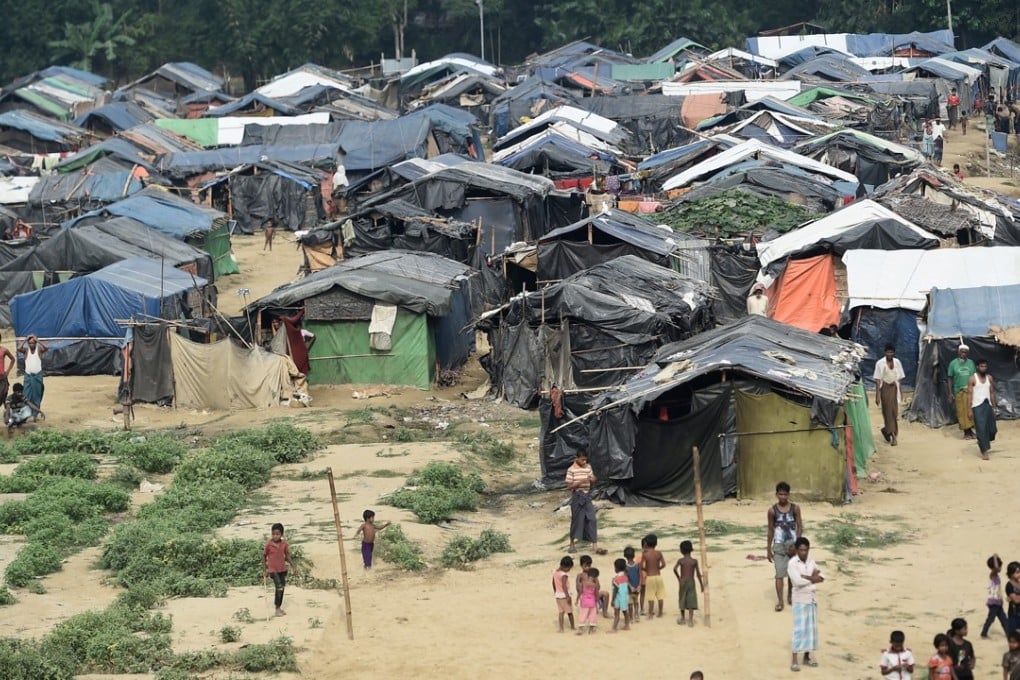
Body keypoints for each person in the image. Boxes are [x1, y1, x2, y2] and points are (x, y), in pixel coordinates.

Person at [788, 536, 823, 671]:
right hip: (800, 600)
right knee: (799, 630)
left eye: (806, 550)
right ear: (797, 550)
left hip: (812, 599)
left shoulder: (811, 561)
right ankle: (794, 660)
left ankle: (807, 657)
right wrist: (813, 578)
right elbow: (797, 582)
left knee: (811, 630)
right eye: (802, 550)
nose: (804, 553)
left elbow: (822, 576)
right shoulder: (792, 563)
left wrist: (808, 577)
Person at [767, 481, 803, 612]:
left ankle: (790, 596)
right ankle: (780, 601)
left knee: (792, 573)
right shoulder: (772, 511)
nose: (782, 497)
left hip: (792, 544)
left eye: (785, 494)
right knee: (779, 574)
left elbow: (799, 526)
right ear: (776, 494)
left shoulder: (795, 508)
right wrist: (768, 549)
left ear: (788, 494)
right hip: (778, 544)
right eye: (780, 494)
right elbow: (770, 530)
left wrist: (797, 545)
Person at [565, 452, 604, 555]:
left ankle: (594, 545)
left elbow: (594, 478)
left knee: (592, 519)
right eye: (582, 459)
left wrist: (592, 479)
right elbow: (569, 486)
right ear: (576, 458)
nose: (584, 461)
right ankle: (572, 544)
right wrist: (580, 481)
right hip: (577, 496)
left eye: (586, 459)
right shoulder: (571, 470)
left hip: (587, 496)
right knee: (576, 520)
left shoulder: (588, 467)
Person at [874, 344, 906, 446]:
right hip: (885, 389)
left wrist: (901, 392)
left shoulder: (897, 362)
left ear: (894, 353)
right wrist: (877, 395)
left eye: (891, 352)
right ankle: (893, 437)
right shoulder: (880, 363)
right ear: (885, 353)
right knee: (888, 413)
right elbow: (878, 380)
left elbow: (900, 379)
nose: (889, 354)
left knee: (894, 413)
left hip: (894, 388)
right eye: (888, 352)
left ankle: (886, 430)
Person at [263, 522, 297, 617]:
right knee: (279, 587)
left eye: (277, 534)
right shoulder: (269, 544)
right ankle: (277, 609)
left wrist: (293, 566)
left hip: (282, 569)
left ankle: (278, 607)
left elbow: (287, 556)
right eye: (273, 534)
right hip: (273, 570)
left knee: (282, 589)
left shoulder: (284, 544)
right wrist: (265, 570)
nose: (275, 536)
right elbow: (264, 556)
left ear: (281, 534)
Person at [967, 359, 997, 460]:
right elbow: (969, 394)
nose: (983, 368)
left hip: (987, 405)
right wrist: (969, 409)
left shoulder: (989, 378)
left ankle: (983, 441)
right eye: (981, 366)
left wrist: (994, 407)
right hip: (977, 406)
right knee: (981, 429)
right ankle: (984, 451)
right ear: (977, 367)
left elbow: (992, 392)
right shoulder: (973, 379)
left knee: (992, 429)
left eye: (985, 366)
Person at [947, 345, 976, 440]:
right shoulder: (953, 364)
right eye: (962, 352)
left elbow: (974, 377)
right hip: (959, 391)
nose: (963, 354)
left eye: (965, 352)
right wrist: (950, 393)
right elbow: (950, 378)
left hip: (970, 391)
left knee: (970, 411)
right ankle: (966, 433)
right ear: (958, 352)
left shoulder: (971, 363)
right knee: (961, 411)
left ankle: (971, 431)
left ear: (968, 353)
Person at [674, 540, 703, 627]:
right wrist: (701, 585)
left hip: (682, 581)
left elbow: (674, 569)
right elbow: (698, 574)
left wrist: (679, 578)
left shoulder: (681, 560)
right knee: (691, 599)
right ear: (691, 550)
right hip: (691, 581)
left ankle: (683, 618)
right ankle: (690, 620)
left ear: (681, 550)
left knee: (682, 598)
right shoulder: (694, 561)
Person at [18, 334, 46, 420]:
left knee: (36, 396)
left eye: (33, 343)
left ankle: (35, 415)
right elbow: (18, 348)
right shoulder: (26, 350)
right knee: (26, 395)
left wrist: (37, 340)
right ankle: (26, 415)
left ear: (35, 343)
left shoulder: (39, 350)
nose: (31, 345)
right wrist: (25, 340)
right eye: (30, 343)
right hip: (28, 377)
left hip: (37, 376)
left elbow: (46, 347)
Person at [983, 554, 1008, 638]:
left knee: (1004, 619)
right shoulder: (993, 575)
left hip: (998, 602)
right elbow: (996, 568)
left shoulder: (996, 576)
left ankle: (1008, 633)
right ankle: (983, 633)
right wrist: (995, 557)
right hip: (993, 602)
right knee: (991, 619)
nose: (1000, 568)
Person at [642, 533, 666, 619]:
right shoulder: (659, 553)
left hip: (650, 577)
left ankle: (650, 614)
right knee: (660, 596)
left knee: (650, 596)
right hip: (658, 576)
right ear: (656, 543)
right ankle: (660, 612)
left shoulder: (645, 554)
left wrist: (646, 570)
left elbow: (642, 566)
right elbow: (664, 564)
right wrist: (658, 568)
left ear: (647, 544)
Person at [552, 555, 574, 632]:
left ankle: (561, 628)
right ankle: (572, 627)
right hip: (564, 596)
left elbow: (553, 582)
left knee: (561, 612)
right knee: (570, 612)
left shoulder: (555, 571)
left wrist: (555, 591)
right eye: (569, 568)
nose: (569, 570)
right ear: (566, 566)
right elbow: (564, 586)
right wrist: (568, 596)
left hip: (558, 595)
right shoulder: (564, 575)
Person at [609, 558, 631, 633]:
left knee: (616, 614)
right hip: (625, 597)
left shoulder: (615, 579)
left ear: (616, 568)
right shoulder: (626, 577)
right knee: (625, 612)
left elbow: (615, 591)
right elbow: (628, 587)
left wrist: (612, 600)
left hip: (618, 598)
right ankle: (627, 625)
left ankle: (614, 628)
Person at [576, 566, 600, 635]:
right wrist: (598, 601)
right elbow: (596, 593)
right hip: (592, 602)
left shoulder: (584, 583)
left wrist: (577, 600)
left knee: (583, 614)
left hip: (584, 601)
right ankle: (591, 629)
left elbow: (580, 592)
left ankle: (580, 629)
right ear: (596, 577)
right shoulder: (594, 585)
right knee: (592, 615)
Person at [624, 546, 641, 622]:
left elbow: (626, 578)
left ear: (625, 556)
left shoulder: (627, 567)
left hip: (632, 588)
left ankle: (632, 617)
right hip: (634, 587)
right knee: (635, 602)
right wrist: (639, 585)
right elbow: (640, 576)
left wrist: (632, 586)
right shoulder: (637, 565)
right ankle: (635, 615)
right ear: (634, 555)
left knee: (631, 603)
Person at [0, 333, 14, 405]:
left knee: (2, 394)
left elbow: (13, 359)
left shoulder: (4, 350)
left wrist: (8, 371)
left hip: (2, 376)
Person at [1007, 561, 1020, 636]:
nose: (1019, 574)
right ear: (1011, 574)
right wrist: (1015, 598)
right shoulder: (1009, 585)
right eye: (1017, 572)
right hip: (1014, 615)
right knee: (1015, 636)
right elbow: (1016, 600)